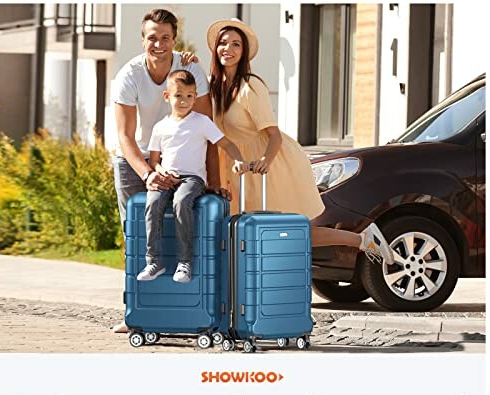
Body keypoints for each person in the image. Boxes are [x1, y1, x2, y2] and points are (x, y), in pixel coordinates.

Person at [206, 18, 394, 265]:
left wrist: (265, 161)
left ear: (244, 52)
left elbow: (272, 133)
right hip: (235, 168)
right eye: (223, 43)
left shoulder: (250, 86)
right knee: (238, 232)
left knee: (285, 232)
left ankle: (361, 240)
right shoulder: (213, 86)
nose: (227, 49)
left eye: (236, 45)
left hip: (267, 167)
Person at [111, 8, 227, 333]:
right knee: (134, 231)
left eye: (165, 38)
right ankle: (135, 312)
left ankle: (182, 307)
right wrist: (149, 173)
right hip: (135, 160)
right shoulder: (129, 75)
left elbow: (207, 132)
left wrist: (214, 181)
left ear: (174, 40)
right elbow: (124, 135)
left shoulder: (190, 70)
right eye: (152, 38)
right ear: (142, 39)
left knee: (181, 217)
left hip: (184, 165)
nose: (158, 44)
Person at [137, 70, 246, 283]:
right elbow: (154, 161)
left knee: (182, 201)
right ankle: (154, 261)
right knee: (152, 203)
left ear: (195, 97)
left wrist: (239, 159)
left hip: (192, 179)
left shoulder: (202, 122)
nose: (184, 101)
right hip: (167, 178)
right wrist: (160, 172)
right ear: (167, 97)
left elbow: (226, 144)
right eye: (178, 95)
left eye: (189, 96)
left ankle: (184, 262)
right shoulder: (161, 127)